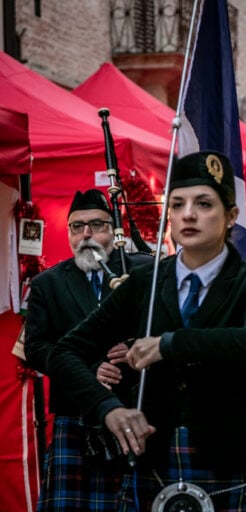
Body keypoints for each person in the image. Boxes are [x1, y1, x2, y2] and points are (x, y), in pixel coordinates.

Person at [47, 151, 246, 510]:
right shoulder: (146, 280)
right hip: (151, 460)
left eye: (204, 203)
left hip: (227, 458)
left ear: (231, 216)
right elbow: (65, 351)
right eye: (177, 204)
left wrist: (169, 345)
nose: (188, 214)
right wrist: (107, 408)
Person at [24, 189, 151, 511]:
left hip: (138, 407)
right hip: (76, 412)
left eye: (97, 225)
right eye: (77, 227)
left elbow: (168, 324)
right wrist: (88, 368)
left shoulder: (145, 272)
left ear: (114, 230)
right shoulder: (48, 283)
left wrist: (138, 346)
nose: (86, 234)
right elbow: (36, 348)